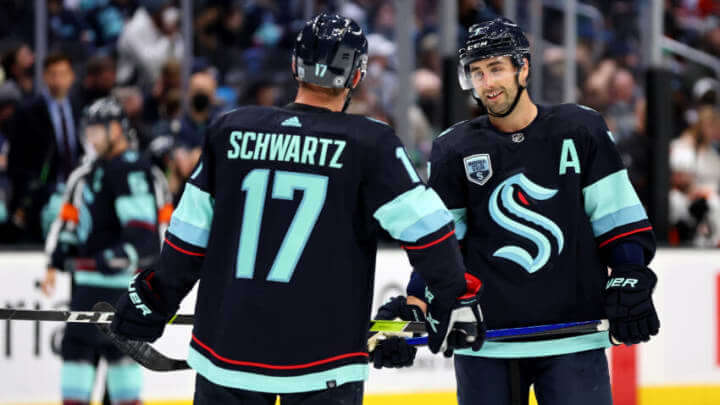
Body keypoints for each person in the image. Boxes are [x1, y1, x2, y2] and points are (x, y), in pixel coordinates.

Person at [109, 13, 484, 405]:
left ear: (294, 66)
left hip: (227, 351)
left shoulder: (230, 130)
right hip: (326, 362)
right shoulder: (371, 144)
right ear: (357, 76)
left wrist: (154, 300)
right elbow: (430, 229)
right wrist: (454, 299)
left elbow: (188, 235)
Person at [377, 17, 660, 405]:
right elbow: (442, 245)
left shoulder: (581, 129)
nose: (487, 83)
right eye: (477, 73)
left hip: (573, 338)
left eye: (496, 68)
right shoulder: (453, 149)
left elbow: (617, 217)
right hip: (486, 344)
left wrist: (630, 272)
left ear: (522, 68)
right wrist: (415, 305)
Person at [42, 97, 169, 405]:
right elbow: (72, 225)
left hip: (118, 290)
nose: (91, 137)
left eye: (97, 130)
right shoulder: (92, 170)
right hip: (91, 289)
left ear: (115, 130)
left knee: (104, 359)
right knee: (85, 356)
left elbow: (144, 238)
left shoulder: (131, 169)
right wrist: (59, 257)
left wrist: (112, 258)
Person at [7, 52, 83, 241]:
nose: (58, 80)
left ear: (71, 77)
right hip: (42, 197)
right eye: (52, 74)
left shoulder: (80, 108)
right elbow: (16, 163)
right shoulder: (27, 112)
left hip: (78, 192)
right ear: (44, 77)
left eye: (62, 74)